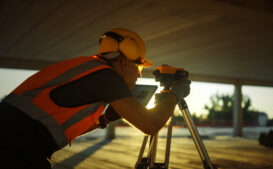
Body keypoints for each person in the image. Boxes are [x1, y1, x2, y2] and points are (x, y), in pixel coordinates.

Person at [0, 28, 190, 168]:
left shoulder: (88, 68)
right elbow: (151, 125)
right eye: (139, 68)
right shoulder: (107, 76)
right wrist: (175, 94)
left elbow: (53, 122)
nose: (139, 75)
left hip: (15, 144)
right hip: (15, 151)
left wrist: (105, 118)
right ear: (124, 62)